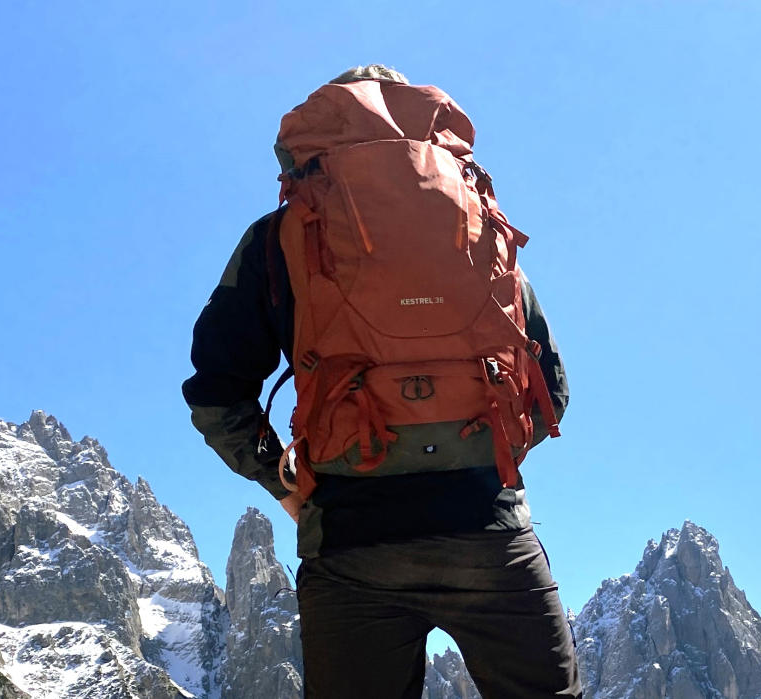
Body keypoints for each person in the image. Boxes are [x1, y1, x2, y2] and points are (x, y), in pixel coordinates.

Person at [182, 64, 581, 699]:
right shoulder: (479, 223)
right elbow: (550, 383)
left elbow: (214, 387)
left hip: (350, 540)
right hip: (490, 533)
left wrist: (285, 483)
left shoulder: (277, 238)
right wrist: (481, 456)